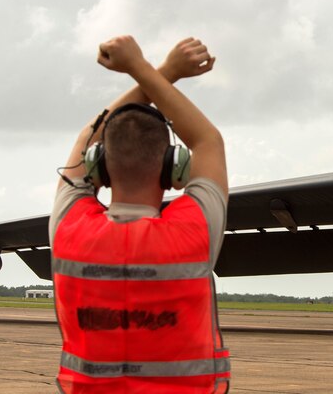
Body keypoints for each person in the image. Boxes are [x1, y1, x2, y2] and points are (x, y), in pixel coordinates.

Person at [49, 36, 230, 393]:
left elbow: (85, 140)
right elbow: (208, 140)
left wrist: (159, 70)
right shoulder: (194, 232)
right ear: (173, 170)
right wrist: (146, 69)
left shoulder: (69, 229)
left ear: (97, 167)